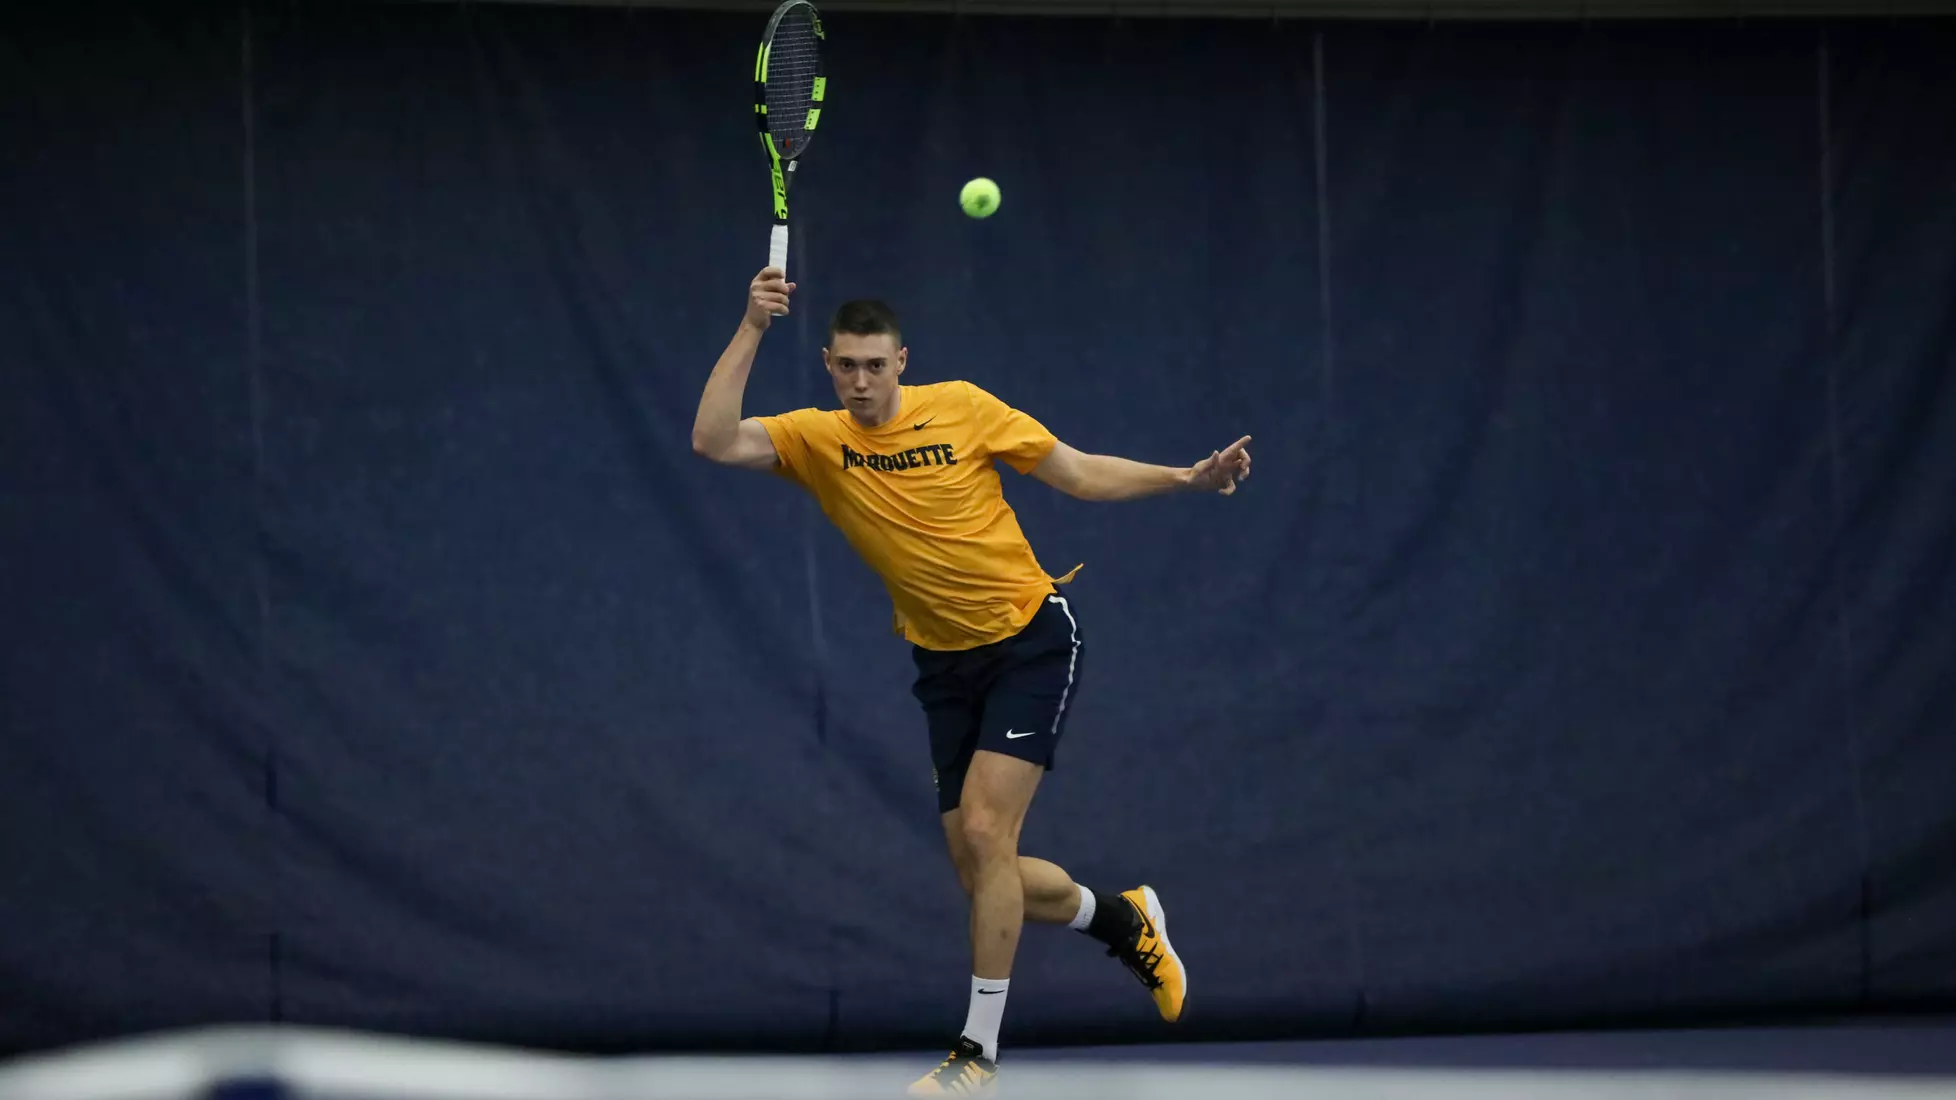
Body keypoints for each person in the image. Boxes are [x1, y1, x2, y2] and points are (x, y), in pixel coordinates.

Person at [691, 267, 1252, 1096]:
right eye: (846, 366)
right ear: (828, 366)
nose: (861, 381)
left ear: (902, 361)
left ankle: (975, 1055)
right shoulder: (817, 439)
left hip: (1030, 640)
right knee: (980, 869)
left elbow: (1078, 472)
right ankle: (1123, 918)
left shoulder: (965, 406)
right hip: (943, 663)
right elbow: (712, 439)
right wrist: (750, 325)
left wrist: (1185, 477)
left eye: (875, 365)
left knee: (989, 835)